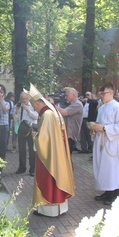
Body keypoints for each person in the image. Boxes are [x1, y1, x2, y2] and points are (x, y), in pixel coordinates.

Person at [24, 83, 75, 217]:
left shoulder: (46, 115)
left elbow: (43, 140)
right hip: (57, 153)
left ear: (38, 103)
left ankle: (48, 208)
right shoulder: (53, 111)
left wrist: (34, 134)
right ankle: (58, 207)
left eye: (34, 105)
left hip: (49, 156)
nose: (34, 108)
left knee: (47, 179)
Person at [89, 82, 119, 205]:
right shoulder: (102, 107)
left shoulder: (118, 107)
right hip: (101, 141)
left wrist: (104, 128)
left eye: (103, 93)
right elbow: (100, 122)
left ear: (111, 93)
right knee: (103, 168)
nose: (101, 96)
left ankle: (115, 193)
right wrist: (94, 128)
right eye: (101, 93)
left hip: (112, 142)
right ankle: (107, 191)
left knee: (112, 168)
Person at [13, 92, 38, 176]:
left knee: (32, 150)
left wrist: (28, 110)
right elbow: (16, 120)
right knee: (21, 149)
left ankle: (32, 169)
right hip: (22, 128)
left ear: (29, 98)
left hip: (31, 129)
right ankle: (22, 167)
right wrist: (16, 112)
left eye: (25, 98)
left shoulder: (34, 105)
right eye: (22, 99)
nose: (24, 100)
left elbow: (36, 117)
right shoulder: (18, 105)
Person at [56, 87, 83, 155]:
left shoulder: (77, 104)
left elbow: (64, 112)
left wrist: (52, 106)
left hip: (71, 135)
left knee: (66, 158)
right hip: (68, 134)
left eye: (67, 95)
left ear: (73, 95)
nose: (65, 97)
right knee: (65, 157)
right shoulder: (72, 104)